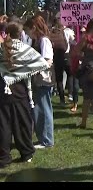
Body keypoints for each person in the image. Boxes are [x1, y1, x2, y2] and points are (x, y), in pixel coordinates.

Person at [0, 22, 50, 168]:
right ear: (20, 34)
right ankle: (26, 152)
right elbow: (41, 63)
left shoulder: (2, 48)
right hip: (20, 89)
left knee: (3, 125)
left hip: (3, 88)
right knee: (22, 122)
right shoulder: (25, 49)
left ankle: (4, 157)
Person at [24, 15, 55, 148]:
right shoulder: (36, 41)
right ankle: (43, 137)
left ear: (34, 28)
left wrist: (32, 67)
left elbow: (48, 61)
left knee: (44, 109)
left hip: (43, 80)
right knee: (39, 109)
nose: (27, 34)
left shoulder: (44, 41)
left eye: (28, 31)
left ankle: (47, 140)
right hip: (37, 79)